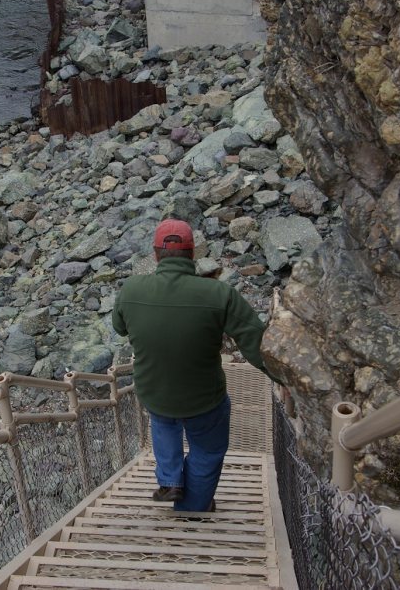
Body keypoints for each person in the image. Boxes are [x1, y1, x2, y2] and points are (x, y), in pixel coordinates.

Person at [112, 218, 278, 512]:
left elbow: (120, 328)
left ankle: (171, 480)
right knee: (207, 449)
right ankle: (192, 507)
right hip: (204, 397)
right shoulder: (220, 295)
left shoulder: (131, 289)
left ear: (155, 255)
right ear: (192, 255)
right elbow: (255, 343)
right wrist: (282, 379)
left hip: (154, 390)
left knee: (164, 421)